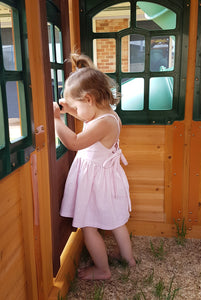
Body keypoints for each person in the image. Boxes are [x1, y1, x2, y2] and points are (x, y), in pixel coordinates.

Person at [53, 53, 136, 280]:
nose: (76, 113)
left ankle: (102, 270)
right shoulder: (108, 116)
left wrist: (56, 120)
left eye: (77, 108)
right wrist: (69, 110)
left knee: (89, 227)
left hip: (96, 183)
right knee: (118, 222)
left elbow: (74, 143)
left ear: (89, 99)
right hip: (107, 179)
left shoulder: (103, 123)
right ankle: (127, 258)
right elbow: (89, 119)